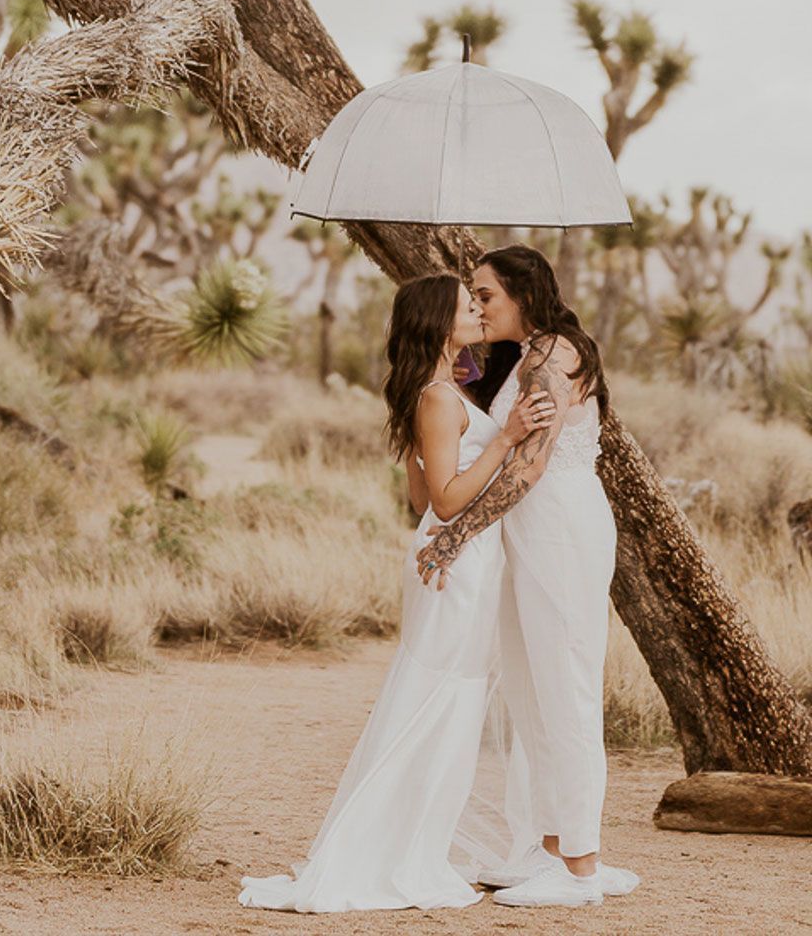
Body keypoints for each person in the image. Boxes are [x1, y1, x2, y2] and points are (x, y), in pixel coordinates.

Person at [237, 272, 555, 913]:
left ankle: (412, 845)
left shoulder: (441, 391)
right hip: (454, 562)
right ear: (442, 323)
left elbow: (420, 495)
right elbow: (441, 499)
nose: (477, 311)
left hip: (461, 555)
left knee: (445, 701)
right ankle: (394, 853)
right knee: (441, 701)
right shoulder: (439, 399)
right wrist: (507, 438)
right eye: (468, 306)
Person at [416, 245, 640, 908]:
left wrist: (455, 534)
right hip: (528, 532)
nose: (479, 307)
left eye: (486, 295)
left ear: (524, 292)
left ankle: (580, 868)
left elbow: (530, 466)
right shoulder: (523, 356)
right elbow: (454, 395)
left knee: (564, 686)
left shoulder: (556, 355)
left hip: (562, 528)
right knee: (531, 687)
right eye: (474, 297)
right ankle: (551, 848)